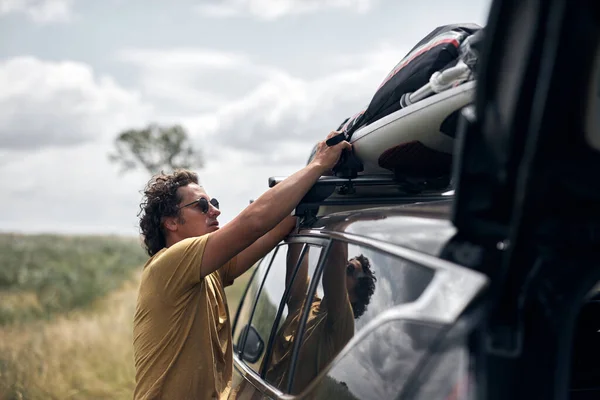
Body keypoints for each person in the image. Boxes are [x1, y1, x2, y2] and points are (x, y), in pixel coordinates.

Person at [132, 131, 351, 400]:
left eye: (214, 202)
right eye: (202, 205)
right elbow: (253, 223)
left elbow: (271, 230)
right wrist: (317, 165)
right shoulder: (171, 263)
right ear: (171, 222)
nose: (215, 210)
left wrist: (315, 204)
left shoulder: (208, 271)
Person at [262, 238, 377, 394]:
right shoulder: (308, 304)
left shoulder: (342, 326)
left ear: (356, 296)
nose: (343, 267)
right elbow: (297, 251)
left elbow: (336, 258)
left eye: (349, 269)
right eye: (346, 263)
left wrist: (339, 221)